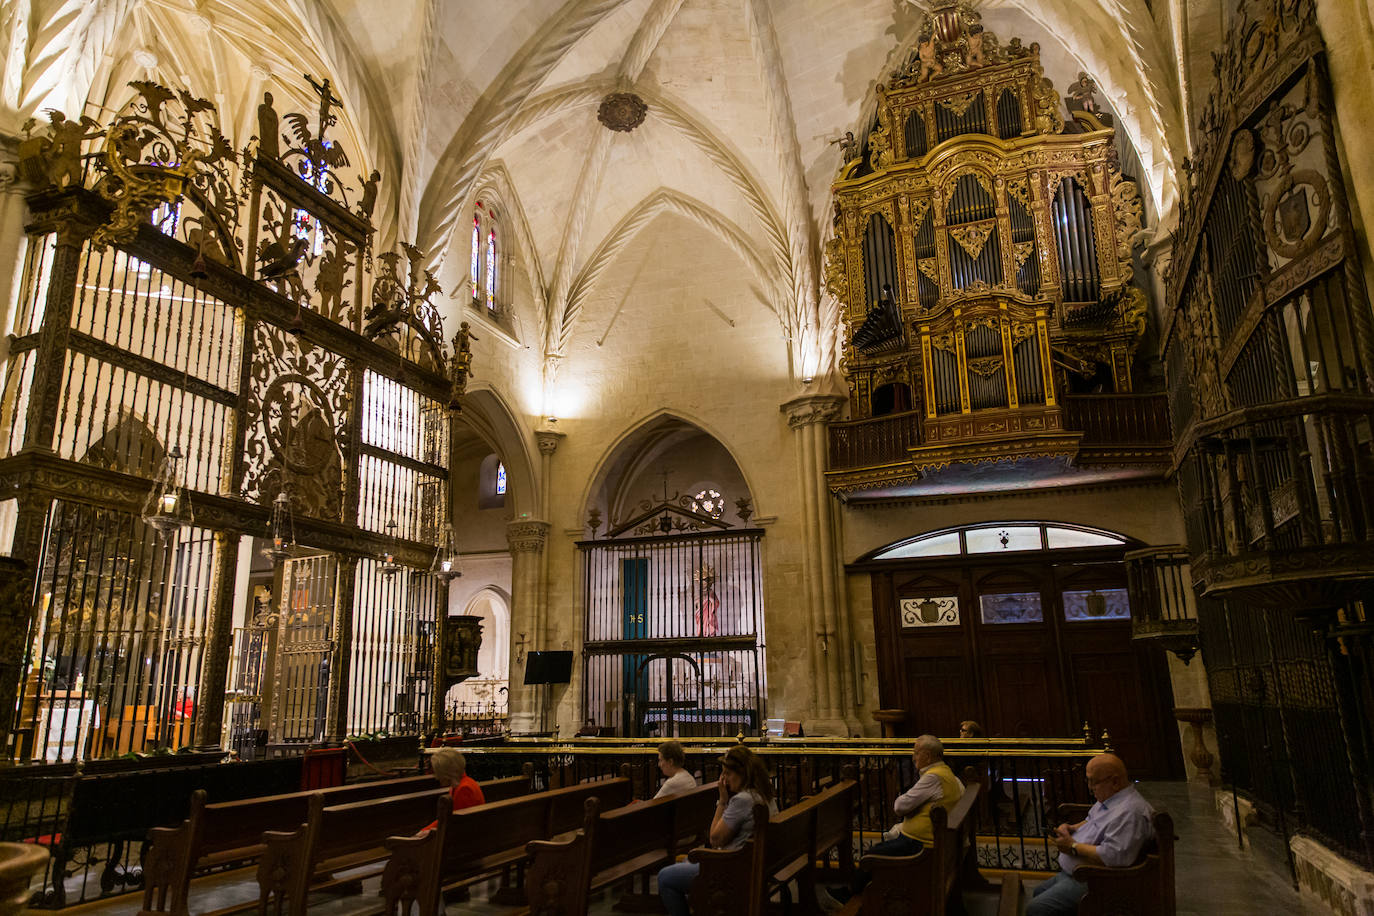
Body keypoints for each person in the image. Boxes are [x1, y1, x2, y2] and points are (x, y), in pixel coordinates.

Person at [820, 735, 963, 911]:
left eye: (916, 753)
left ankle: (849, 896)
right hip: (935, 843)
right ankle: (853, 893)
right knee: (880, 848)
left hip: (921, 846)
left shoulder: (933, 778)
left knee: (870, 857)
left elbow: (899, 806)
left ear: (927, 755)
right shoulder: (947, 774)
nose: (913, 757)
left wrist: (911, 808)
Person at [1027, 753, 1155, 916]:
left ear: (1115, 781)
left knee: (1037, 909)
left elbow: (1114, 856)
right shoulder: (1111, 799)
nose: (1089, 786)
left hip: (1098, 880)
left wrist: (1073, 847)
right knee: (1038, 891)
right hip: (1080, 872)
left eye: (1093, 781)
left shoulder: (1129, 813)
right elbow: (1092, 820)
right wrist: (1071, 828)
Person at [657, 745, 777, 916]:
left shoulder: (743, 799)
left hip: (732, 869)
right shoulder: (764, 793)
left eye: (727, 774)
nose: (724, 779)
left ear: (742, 773)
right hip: (755, 863)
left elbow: (715, 839)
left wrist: (722, 801)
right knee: (685, 864)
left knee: (665, 877)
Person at [422, 748, 485, 831]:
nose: (436, 777)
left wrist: (427, 832)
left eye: (437, 772)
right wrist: (425, 830)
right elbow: (448, 819)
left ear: (446, 772)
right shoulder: (460, 784)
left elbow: (458, 825)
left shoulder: (464, 789)